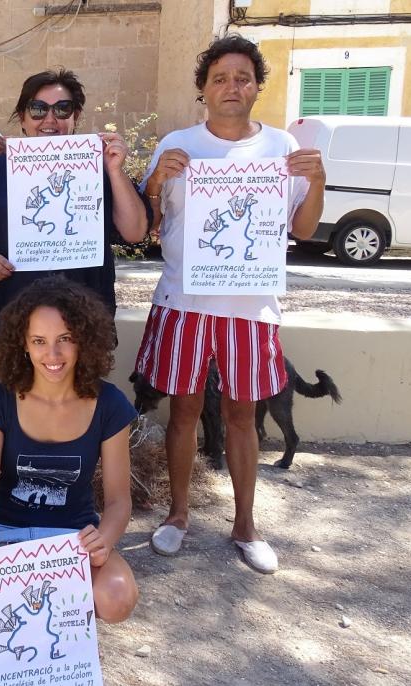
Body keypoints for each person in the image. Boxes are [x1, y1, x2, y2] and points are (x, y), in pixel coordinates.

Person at [135, 34, 326, 574]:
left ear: (257, 87)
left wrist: (318, 180)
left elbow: (304, 228)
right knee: (184, 411)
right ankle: (177, 516)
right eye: (220, 78)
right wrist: (156, 180)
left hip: (251, 306)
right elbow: (148, 227)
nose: (232, 87)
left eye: (243, 78)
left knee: (243, 415)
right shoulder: (178, 142)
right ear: (204, 88)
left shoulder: (282, 146)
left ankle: (245, 525)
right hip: (184, 301)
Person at [0, 277, 139, 630]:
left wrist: (104, 540)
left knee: (117, 599)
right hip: (7, 533)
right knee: (7, 628)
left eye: (64, 339)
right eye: (39, 341)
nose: (52, 355)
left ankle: (67, 626)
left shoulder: (110, 404)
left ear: (83, 339)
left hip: (74, 537)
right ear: (22, 343)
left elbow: (118, 500)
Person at [0, 68, 149, 352]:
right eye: (38, 109)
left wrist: (114, 170)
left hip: (82, 321)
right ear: (23, 118)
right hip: (11, 320)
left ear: (76, 116)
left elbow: (135, 232)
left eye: (62, 109)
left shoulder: (98, 170)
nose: (50, 119)